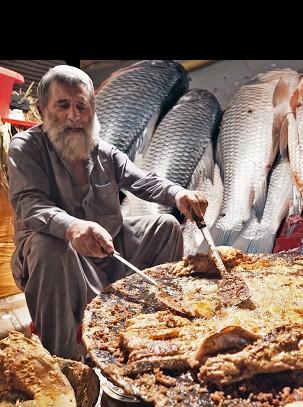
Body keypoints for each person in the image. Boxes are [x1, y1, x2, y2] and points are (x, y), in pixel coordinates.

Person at [8, 65, 208, 360]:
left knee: (165, 226)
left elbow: (144, 181)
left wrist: (179, 194)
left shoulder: (104, 151)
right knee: (49, 245)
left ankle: (152, 325)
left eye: (82, 106)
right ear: (41, 109)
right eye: (63, 105)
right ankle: (66, 361)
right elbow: (30, 204)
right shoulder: (25, 147)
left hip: (109, 252)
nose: (74, 116)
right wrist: (72, 227)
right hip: (61, 261)